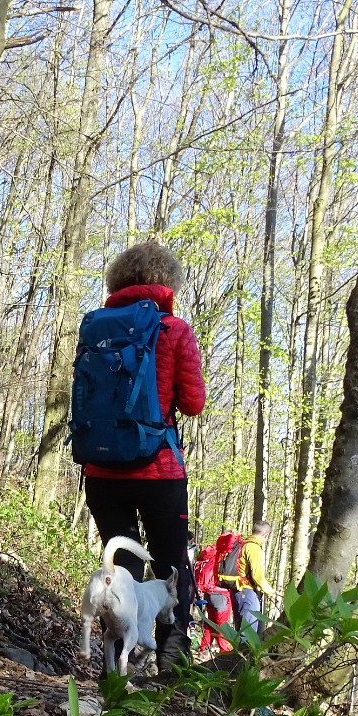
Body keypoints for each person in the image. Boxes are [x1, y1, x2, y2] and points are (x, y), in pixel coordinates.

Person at [81, 242, 206, 673]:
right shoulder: (174, 330)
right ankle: (172, 664)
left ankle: (116, 667)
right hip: (159, 470)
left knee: (123, 565)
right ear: (168, 283)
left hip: (99, 468)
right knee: (171, 561)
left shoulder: (94, 327)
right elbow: (192, 403)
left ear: (118, 282)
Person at [234, 521, 275, 637]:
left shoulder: (243, 544)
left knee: (242, 628)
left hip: (238, 590)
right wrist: (270, 591)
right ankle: (245, 654)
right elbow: (257, 576)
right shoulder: (253, 547)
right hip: (246, 591)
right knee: (248, 630)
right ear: (266, 535)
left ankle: (241, 653)